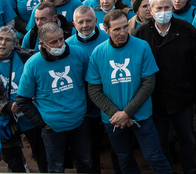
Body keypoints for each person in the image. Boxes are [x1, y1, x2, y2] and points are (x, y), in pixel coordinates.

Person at [85, 10, 172, 174]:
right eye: (117, 29)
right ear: (106, 30)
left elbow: (148, 84)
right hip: (113, 120)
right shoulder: (98, 53)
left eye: (125, 27)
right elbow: (94, 89)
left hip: (141, 117)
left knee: (155, 157)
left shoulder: (142, 46)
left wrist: (127, 113)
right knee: (124, 159)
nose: (123, 32)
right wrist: (116, 114)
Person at [136, 0, 196, 174]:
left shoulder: (186, 29)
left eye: (167, 7)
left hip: (183, 97)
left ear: (172, 8)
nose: (163, 12)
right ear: (150, 10)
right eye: (159, 8)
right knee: (161, 140)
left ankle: (190, 169)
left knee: (187, 138)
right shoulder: (141, 33)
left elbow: (195, 63)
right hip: (156, 98)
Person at [15, 23, 93, 174]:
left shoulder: (78, 53)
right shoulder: (33, 64)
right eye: (53, 42)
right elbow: (23, 99)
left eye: (61, 39)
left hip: (79, 121)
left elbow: (90, 83)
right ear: (42, 44)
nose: (59, 44)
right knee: (56, 166)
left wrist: (87, 110)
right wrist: (42, 123)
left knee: (86, 161)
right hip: (52, 127)